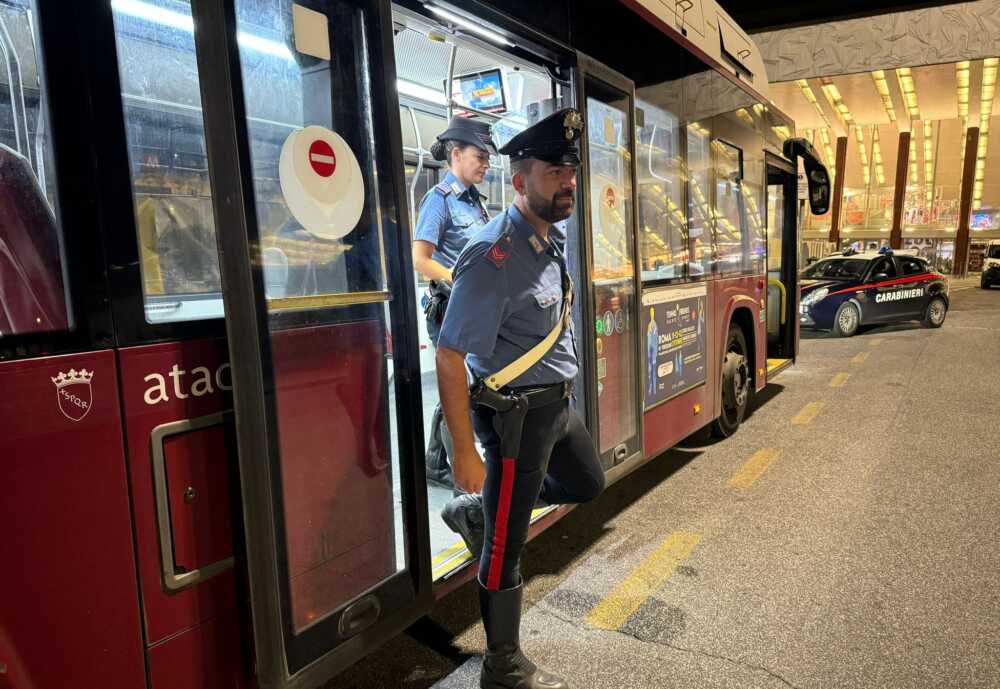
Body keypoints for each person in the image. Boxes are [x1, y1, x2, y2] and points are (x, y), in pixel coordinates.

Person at [436, 108, 605, 689]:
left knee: (587, 483)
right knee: (506, 546)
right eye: (555, 172)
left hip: (556, 407)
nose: (568, 182)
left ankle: (480, 512)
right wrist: (464, 451)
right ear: (519, 180)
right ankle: (502, 664)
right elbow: (450, 356)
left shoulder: (550, 240)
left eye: (572, 171)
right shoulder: (493, 255)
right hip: (515, 418)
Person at [413, 116, 495, 489]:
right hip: (450, 308)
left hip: (476, 308)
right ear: (457, 154)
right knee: (461, 388)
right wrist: (457, 281)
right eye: (480, 156)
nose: (486, 164)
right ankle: (466, 483)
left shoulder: (477, 204)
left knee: (463, 386)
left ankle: (433, 461)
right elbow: (420, 259)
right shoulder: (439, 201)